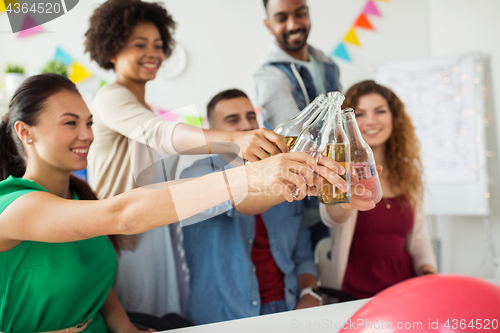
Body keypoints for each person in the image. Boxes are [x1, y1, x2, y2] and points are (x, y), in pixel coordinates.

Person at [0, 73, 338, 332]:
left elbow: (95, 280)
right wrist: (251, 175)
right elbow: (123, 215)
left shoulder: (79, 197)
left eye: (89, 123)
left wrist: (124, 327)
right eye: (70, 123)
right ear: (25, 132)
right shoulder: (15, 206)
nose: (87, 134)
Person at [84, 0, 290, 317]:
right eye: (140, 45)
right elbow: (159, 133)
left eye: (158, 44)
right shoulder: (111, 96)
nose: (153, 53)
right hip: (124, 236)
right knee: (138, 316)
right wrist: (235, 139)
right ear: (112, 49)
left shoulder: (142, 106)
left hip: (154, 230)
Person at [181, 89, 336, 325]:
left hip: (289, 309)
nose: (246, 125)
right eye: (233, 120)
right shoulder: (196, 175)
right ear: (214, 129)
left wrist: (309, 293)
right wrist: (293, 184)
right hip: (223, 318)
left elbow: (302, 254)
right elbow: (240, 202)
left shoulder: (285, 170)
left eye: (250, 117)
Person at [320, 80, 437, 300]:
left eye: (380, 111)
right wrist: (346, 199)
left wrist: (428, 273)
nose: (371, 121)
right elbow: (332, 218)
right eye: (360, 114)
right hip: (353, 296)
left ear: (394, 117)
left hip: (405, 293)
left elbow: (420, 239)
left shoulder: (408, 173)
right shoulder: (336, 166)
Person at [254, 0, 343, 249]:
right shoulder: (270, 74)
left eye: (300, 13)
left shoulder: (326, 63)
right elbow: (298, 139)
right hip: (301, 200)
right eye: (282, 18)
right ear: (268, 24)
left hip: (338, 190)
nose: (293, 24)